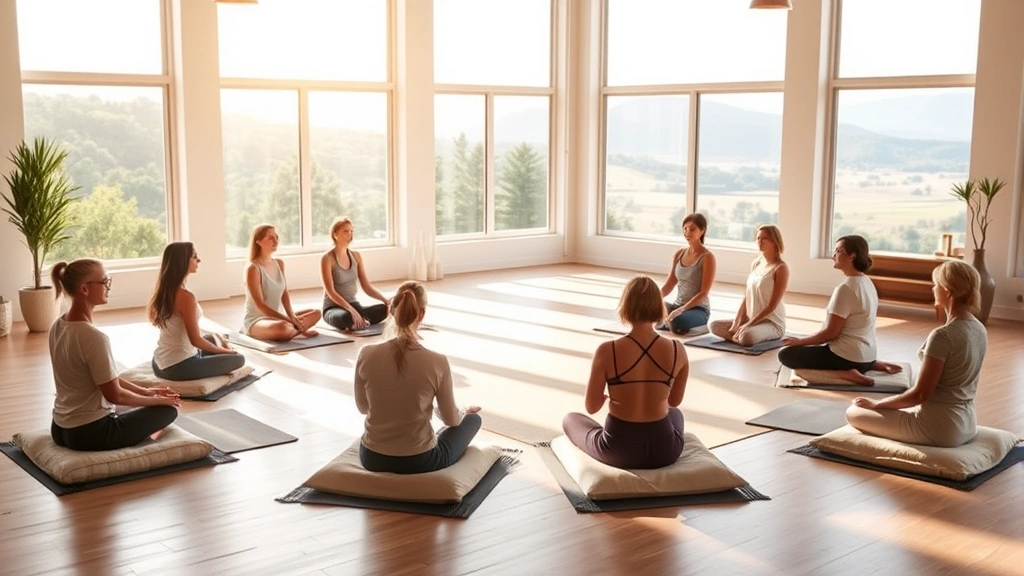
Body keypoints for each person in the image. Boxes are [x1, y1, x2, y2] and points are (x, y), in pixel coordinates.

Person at [845, 261, 986, 447]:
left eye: (936, 284)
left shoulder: (943, 336)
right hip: (967, 423)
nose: (933, 288)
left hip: (940, 428)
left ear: (948, 291)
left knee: (853, 412)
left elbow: (919, 395)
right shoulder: (979, 328)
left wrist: (877, 404)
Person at [48, 259, 180, 451]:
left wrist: (145, 392)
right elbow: (115, 395)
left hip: (59, 428)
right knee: (168, 410)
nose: (108, 287)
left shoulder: (57, 326)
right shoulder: (94, 337)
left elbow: (104, 379)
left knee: (141, 404)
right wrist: (157, 401)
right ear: (84, 289)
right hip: (91, 433)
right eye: (104, 282)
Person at [354, 282, 481, 474]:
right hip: (420, 461)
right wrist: (463, 412)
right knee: (473, 420)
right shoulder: (437, 361)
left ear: (391, 311)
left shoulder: (366, 353)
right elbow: (452, 420)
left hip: (372, 458)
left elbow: (363, 408)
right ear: (421, 314)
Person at [563, 275, 688, 469]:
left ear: (625, 306)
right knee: (676, 414)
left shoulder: (607, 350)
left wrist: (609, 398)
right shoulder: (677, 349)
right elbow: (673, 402)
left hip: (618, 450)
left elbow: (592, 407)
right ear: (658, 306)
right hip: (665, 451)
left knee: (571, 419)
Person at [778, 235, 900, 384]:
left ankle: (846, 374)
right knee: (817, 348)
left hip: (847, 357)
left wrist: (800, 341)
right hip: (868, 355)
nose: (833, 255)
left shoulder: (846, 289)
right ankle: (869, 365)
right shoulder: (867, 282)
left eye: (838, 250)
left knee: (786, 355)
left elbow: (830, 334)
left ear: (851, 256)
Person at [148, 242, 245, 381]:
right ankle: (223, 351)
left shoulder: (164, 291)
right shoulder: (186, 297)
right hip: (178, 367)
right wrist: (226, 352)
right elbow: (196, 341)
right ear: (183, 262)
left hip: (159, 363)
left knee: (213, 337)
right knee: (238, 359)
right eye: (194, 257)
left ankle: (219, 349)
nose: (198, 260)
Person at [710, 225, 789, 346]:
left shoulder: (781, 268)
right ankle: (739, 336)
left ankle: (742, 336)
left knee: (748, 336)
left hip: (771, 323)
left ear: (774, 241)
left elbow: (772, 306)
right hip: (752, 319)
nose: (759, 242)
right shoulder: (756, 263)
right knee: (714, 326)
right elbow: (747, 296)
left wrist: (748, 325)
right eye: (758, 238)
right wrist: (738, 320)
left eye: (764, 238)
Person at [241, 224, 322, 341]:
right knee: (282, 328)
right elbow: (260, 305)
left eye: (276, 237)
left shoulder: (279, 263)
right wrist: (288, 320)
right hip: (258, 321)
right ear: (258, 241)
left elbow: (284, 293)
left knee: (316, 313)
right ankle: (296, 330)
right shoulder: (253, 269)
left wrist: (292, 316)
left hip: (280, 318)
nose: (276, 241)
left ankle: (294, 329)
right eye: (271, 238)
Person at [320, 217, 391, 331]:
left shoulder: (356, 256)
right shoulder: (327, 258)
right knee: (345, 317)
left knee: (384, 309)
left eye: (351, 231)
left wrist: (386, 300)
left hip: (354, 304)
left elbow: (366, 286)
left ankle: (359, 321)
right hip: (333, 308)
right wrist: (351, 311)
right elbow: (331, 292)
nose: (350, 235)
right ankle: (359, 320)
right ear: (335, 234)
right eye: (346, 231)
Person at [660, 213, 717, 334]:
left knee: (677, 321)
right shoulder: (679, 253)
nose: (687, 232)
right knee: (647, 309)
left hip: (698, 309)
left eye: (692, 229)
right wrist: (654, 299)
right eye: (685, 228)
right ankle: (667, 321)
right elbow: (670, 283)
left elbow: (704, 293)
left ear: (702, 231)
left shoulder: (707, 257)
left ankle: (672, 322)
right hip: (677, 306)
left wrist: (682, 309)